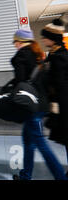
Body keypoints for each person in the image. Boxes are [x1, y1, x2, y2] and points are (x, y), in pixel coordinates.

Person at [10, 28, 66, 180]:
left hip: (31, 106)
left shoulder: (22, 55)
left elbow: (20, 82)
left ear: (20, 41)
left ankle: (61, 177)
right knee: (28, 140)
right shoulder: (38, 54)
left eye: (15, 41)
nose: (14, 45)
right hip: (40, 103)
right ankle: (25, 176)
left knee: (40, 143)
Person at [41, 19, 68, 177]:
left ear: (53, 38)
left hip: (64, 103)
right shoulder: (56, 54)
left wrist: (55, 104)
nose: (43, 40)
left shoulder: (59, 57)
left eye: (45, 37)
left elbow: (57, 83)